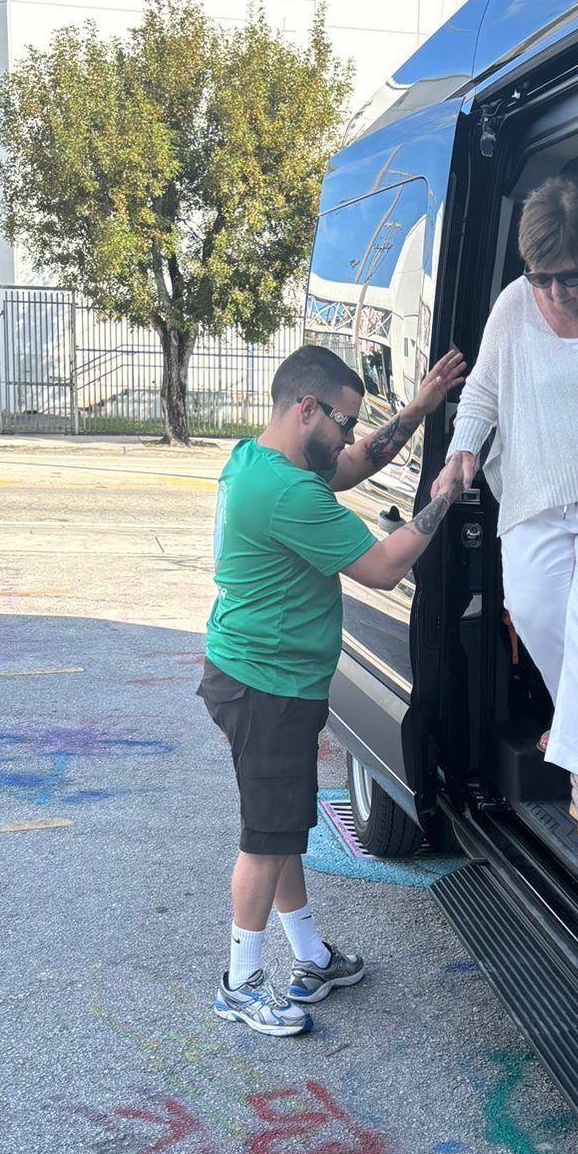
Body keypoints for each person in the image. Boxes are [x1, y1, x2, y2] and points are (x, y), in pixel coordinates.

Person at [199, 341, 465, 1035]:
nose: (349, 437)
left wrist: (417, 409)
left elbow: (352, 464)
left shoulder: (263, 459)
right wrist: (441, 501)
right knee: (266, 838)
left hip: (259, 677)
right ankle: (241, 983)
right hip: (266, 688)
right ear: (306, 408)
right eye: (344, 421)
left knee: (283, 824)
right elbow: (380, 569)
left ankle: (310, 956)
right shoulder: (285, 492)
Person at [435, 175, 578, 839]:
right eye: (541, 278)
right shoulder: (515, 306)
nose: (555, 292)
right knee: (530, 608)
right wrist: (461, 452)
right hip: (538, 490)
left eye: (570, 276)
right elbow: (482, 394)